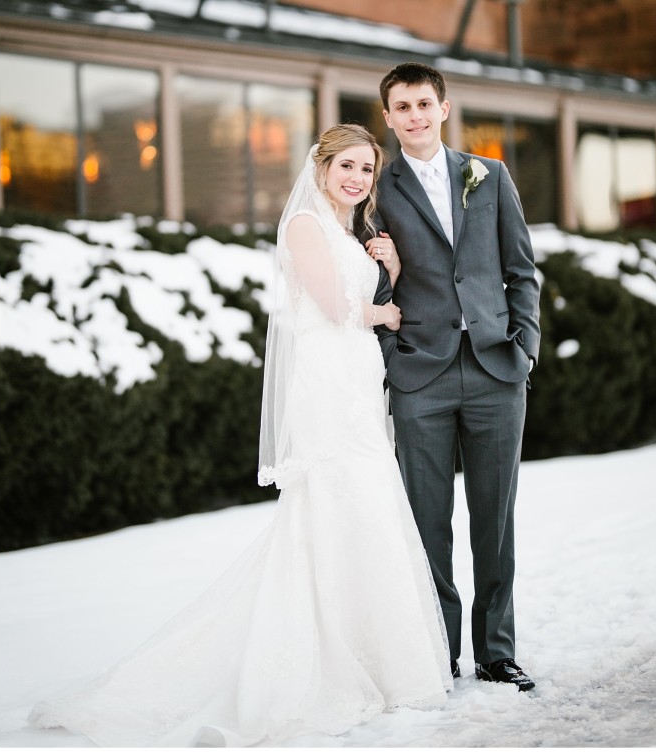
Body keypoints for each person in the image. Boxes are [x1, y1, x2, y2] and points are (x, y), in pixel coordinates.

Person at [28, 124, 452, 749]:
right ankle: (315, 656)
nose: (359, 179)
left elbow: (356, 294)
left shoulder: (350, 233)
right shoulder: (307, 225)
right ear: (323, 166)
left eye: (367, 170)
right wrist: (385, 310)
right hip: (326, 385)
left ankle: (378, 656)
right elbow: (335, 309)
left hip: (358, 384)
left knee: (365, 507)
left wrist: (387, 263)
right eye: (348, 167)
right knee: (335, 503)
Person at [365, 63, 540, 693]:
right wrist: (392, 355)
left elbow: (522, 269)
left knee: (495, 519)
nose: (413, 115)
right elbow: (371, 282)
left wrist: (525, 348)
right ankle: (436, 651)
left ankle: (497, 652)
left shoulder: (489, 176)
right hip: (420, 374)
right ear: (387, 118)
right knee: (426, 522)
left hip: (496, 368)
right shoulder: (376, 190)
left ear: (444, 108)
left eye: (423, 103)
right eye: (401, 106)